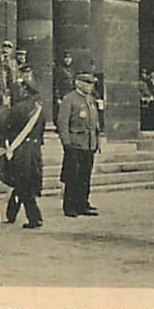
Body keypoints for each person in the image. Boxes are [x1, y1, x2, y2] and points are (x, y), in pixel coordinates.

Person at [2, 68, 46, 229]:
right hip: (34, 151)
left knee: (23, 184)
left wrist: (5, 106)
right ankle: (11, 213)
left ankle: (35, 218)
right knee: (23, 182)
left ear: (24, 91)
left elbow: (3, 125)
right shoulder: (38, 109)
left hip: (20, 150)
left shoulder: (18, 109)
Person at [58, 72, 101, 217]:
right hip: (75, 144)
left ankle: (83, 203)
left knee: (85, 175)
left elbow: (95, 123)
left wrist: (96, 142)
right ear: (78, 83)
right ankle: (70, 206)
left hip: (89, 144)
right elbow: (62, 123)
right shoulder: (69, 99)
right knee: (72, 176)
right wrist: (66, 142)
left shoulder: (90, 100)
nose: (90, 86)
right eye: (87, 83)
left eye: (91, 83)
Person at [53, 51, 74, 129]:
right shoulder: (60, 70)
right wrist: (57, 97)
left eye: (69, 58)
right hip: (62, 95)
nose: (68, 60)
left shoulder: (71, 70)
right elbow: (56, 84)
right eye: (66, 58)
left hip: (69, 95)